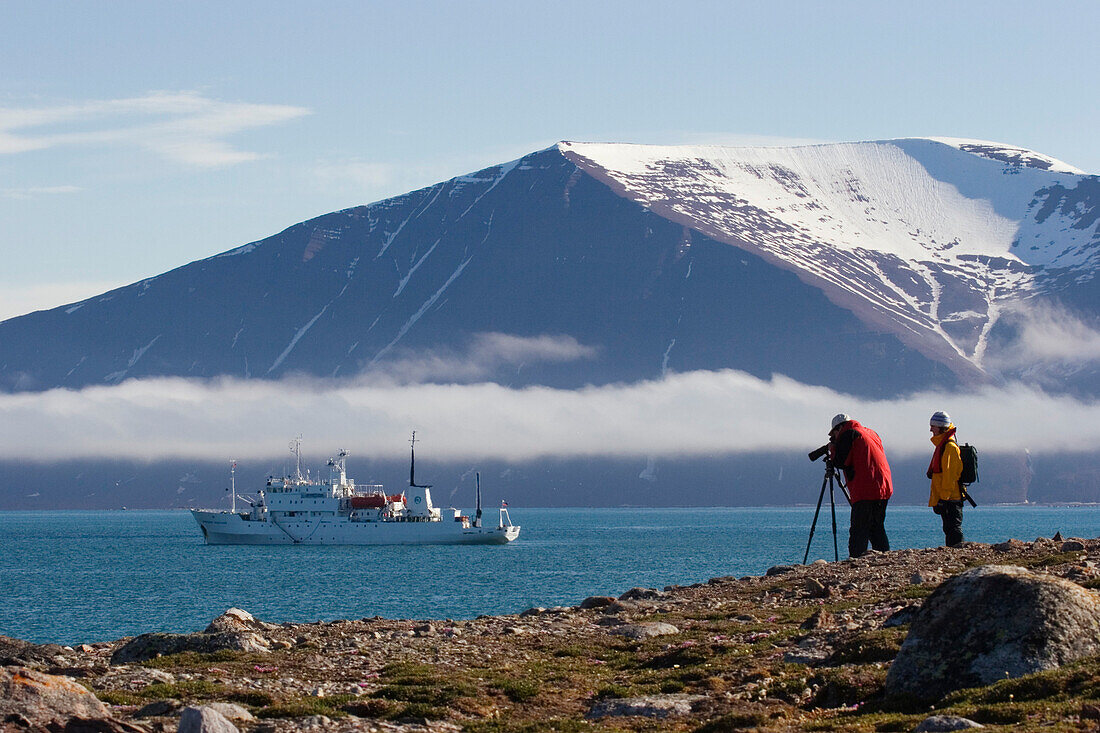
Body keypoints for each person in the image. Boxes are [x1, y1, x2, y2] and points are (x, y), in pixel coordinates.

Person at [828, 413, 893, 558]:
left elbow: (840, 462)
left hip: (866, 488)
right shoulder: (870, 433)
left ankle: (856, 560)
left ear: (839, 428)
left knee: (859, 529)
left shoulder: (848, 434)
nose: (835, 438)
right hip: (883, 486)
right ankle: (885, 558)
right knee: (876, 527)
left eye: (834, 434)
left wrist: (833, 449)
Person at [927, 410, 964, 546]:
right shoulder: (942, 445)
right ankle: (954, 550)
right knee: (949, 528)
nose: (931, 429)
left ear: (941, 427)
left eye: (933, 426)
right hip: (947, 497)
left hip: (951, 498)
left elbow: (950, 476)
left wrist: (943, 498)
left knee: (953, 528)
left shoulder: (949, 447)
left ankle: (957, 552)